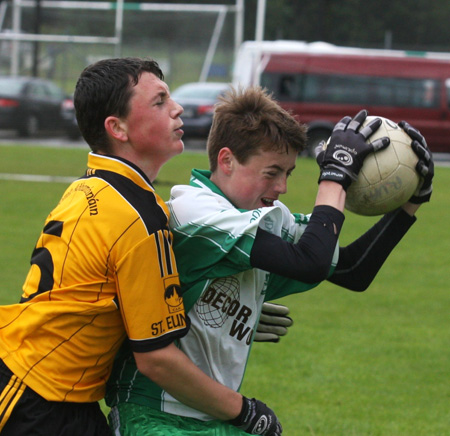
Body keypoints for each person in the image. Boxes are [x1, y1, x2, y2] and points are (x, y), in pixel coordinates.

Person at [106, 86, 434, 434]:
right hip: (153, 416)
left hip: (211, 415)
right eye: (272, 172)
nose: (282, 187)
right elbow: (309, 261)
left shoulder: (264, 216)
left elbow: (352, 270)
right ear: (227, 160)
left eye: (289, 173)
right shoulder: (195, 212)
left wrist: (410, 203)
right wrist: (335, 178)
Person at [0, 60, 282, 435]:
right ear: (117, 128)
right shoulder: (136, 216)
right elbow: (156, 360)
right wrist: (245, 411)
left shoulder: (94, 187)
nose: (177, 108)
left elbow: (110, 295)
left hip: (54, 395)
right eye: (160, 101)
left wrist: (215, 307)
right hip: (38, 398)